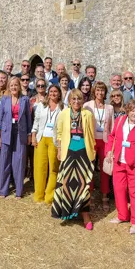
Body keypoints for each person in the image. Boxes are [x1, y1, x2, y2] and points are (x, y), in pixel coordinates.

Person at [52, 89, 96, 230]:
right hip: (68, 152)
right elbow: (59, 133)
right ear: (69, 101)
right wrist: (59, 149)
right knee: (66, 182)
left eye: (79, 99)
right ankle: (66, 211)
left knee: (84, 185)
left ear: (82, 100)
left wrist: (92, 151)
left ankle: (85, 215)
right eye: (74, 99)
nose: (76, 102)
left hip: (84, 152)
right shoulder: (63, 114)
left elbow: (91, 133)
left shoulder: (88, 114)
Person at [107, 99, 135, 234]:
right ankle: (122, 215)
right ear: (127, 110)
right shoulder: (120, 120)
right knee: (119, 189)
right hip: (119, 161)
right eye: (133, 111)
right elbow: (112, 137)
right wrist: (109, 150)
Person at [0, 76, 32, 198]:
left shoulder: (25, 100)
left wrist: (29, 134)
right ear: (8, 87)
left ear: (19, 86)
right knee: (5, 160)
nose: (14, 87)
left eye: (16, 85)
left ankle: (18, 191)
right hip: (6, 132)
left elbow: (28, 118)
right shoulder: (4, 99)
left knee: (19, 161)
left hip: (20, 132)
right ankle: (3, 190)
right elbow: (0, 119)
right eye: (11, 85)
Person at [84, 81, 114, 210]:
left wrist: (112, 145)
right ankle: (88, 195)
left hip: (105, 141)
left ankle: (104, 196)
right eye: (98, 90)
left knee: (105, 169)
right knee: (89, 167)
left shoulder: (110, 108)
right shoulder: (87, 105)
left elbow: (112, 127)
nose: (100, 93)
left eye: (102, 90)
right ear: (94, 92)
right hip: (91, 140)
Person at [31, 84, 62, 203]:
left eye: (55, 91)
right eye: (51, 91)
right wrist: (33, 136)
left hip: (55, 140)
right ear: (48, 93)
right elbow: (36, 122)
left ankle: (49, 196)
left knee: (54, 168)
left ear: (59, 94)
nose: (53, 93)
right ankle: (38, 195)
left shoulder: (63, 108)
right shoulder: (41, 106)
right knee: (39, 167)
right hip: (41, 138)